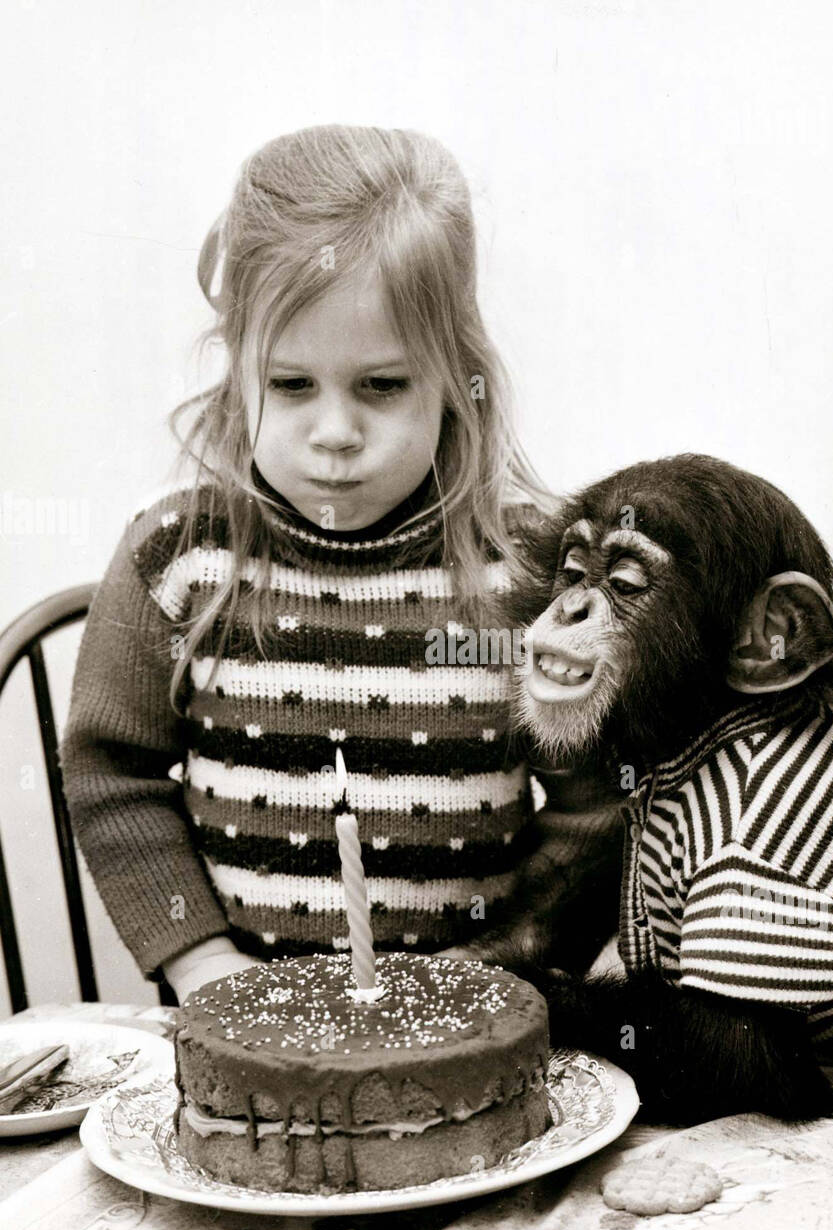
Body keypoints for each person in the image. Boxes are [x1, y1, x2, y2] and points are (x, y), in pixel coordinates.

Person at [60, 124, 622, 1004]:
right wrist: (201, 964)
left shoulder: (526, 574)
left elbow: (596, 808)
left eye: (382, 386)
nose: (333, 434)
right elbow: (109, 776)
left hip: (475, 1029)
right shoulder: (178, 561)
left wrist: (515, 961)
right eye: (290, 385)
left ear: (456, 378)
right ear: (236, 371)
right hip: (244, 1033)